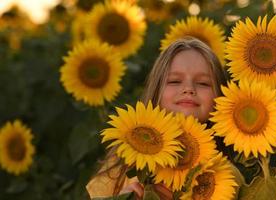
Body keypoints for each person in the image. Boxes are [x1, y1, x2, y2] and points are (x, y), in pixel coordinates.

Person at [86, 36, 227, 199]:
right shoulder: (125, 160)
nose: (188, 89)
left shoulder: (232, 162)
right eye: (174, 81)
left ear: (220, 93)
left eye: (203, 83)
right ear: (156, 91)